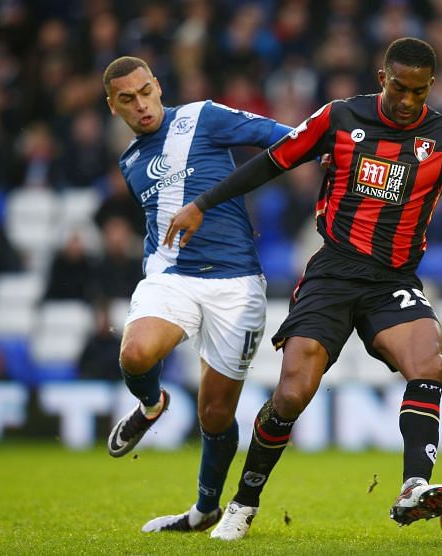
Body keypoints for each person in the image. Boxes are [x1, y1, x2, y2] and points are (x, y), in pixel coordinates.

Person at [164, 38, 442, 541]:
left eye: (418, 92)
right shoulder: (338, 117)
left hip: (393, 281)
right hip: (333, 273)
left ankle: (413, 486)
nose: (407, 100)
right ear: (382, 79)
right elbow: (273, 161)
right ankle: (243, 506)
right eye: (399, 88)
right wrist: (203, 202)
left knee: (430, 364)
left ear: (431, 88)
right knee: (291, 394)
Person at [102, 56, 296, 533]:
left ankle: (204, 508)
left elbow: (279, 135)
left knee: (215, 411)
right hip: (173, 277)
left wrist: (328, 149)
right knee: (135, 354)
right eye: (127, 99)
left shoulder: (202, 116)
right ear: (113, 107)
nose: (141, 105)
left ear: (159, 86)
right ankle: (152, 405)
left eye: (146, 91)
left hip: (236, 283)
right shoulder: (130, 162)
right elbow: (156, 221)